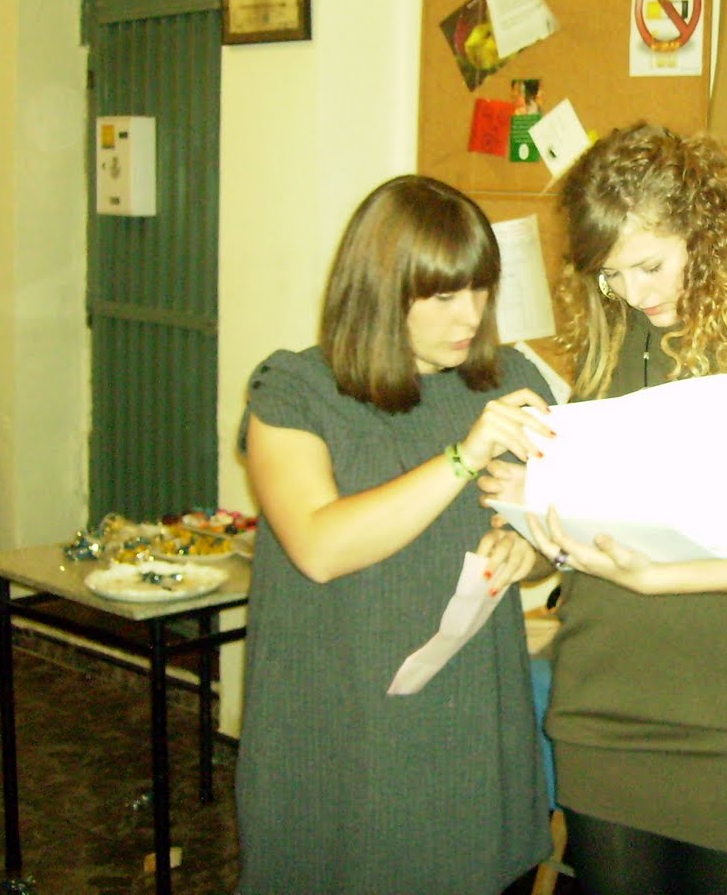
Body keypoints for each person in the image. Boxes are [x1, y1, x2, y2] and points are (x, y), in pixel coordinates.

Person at [479, 124, 727, 895]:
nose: (634, 293)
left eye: (650, 265)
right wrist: (535, 527)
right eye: (611, 274)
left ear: (708, 229)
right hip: (605, 703)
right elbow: (610, 514)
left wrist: (661, 579)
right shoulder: (614, 339)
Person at [234, 175, 558, 895]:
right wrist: (463, 457)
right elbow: (320, 547)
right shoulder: (295, 392)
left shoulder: (509, 379)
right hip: (342, 726)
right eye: (443, 296)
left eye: (481, 288)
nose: (471, 315)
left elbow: (550, 531)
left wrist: (530, 549)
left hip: (470, 719)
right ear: (380, 291)